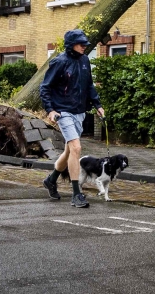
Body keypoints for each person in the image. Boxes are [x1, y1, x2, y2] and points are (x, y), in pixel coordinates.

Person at [40, 29, 104, 208]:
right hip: (63, 111)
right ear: (70, 45)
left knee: (69, 151)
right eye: (81, 43)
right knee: (76, 148)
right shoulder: (60, 62)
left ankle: (51, 180)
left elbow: (89, 85)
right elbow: (45, 88)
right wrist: (50, 110)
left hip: (79, 111)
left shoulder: (84, 60)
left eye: (85, 43)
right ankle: (77, 194)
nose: (85, 46)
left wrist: (97, 105)